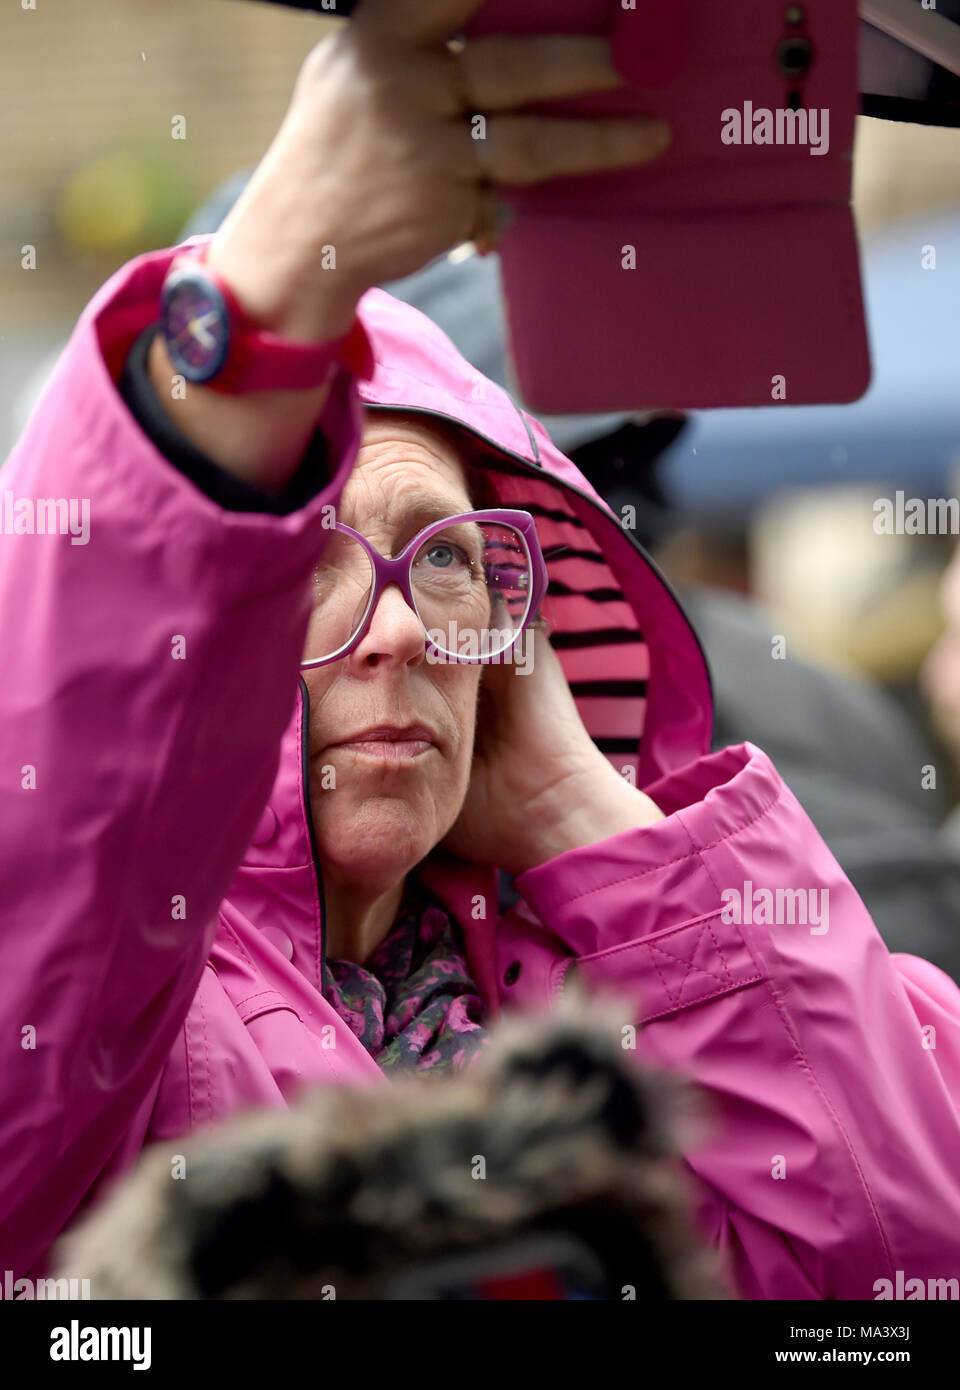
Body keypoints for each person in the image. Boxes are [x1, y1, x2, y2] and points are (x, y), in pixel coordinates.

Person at [2, 0, 960, 1300]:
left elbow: (905, 1265)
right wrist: (273, 278)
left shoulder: (601, 1016)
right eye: (302, 560)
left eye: (444, 555)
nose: (397, 622)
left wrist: (580, 806)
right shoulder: (117, 1024)